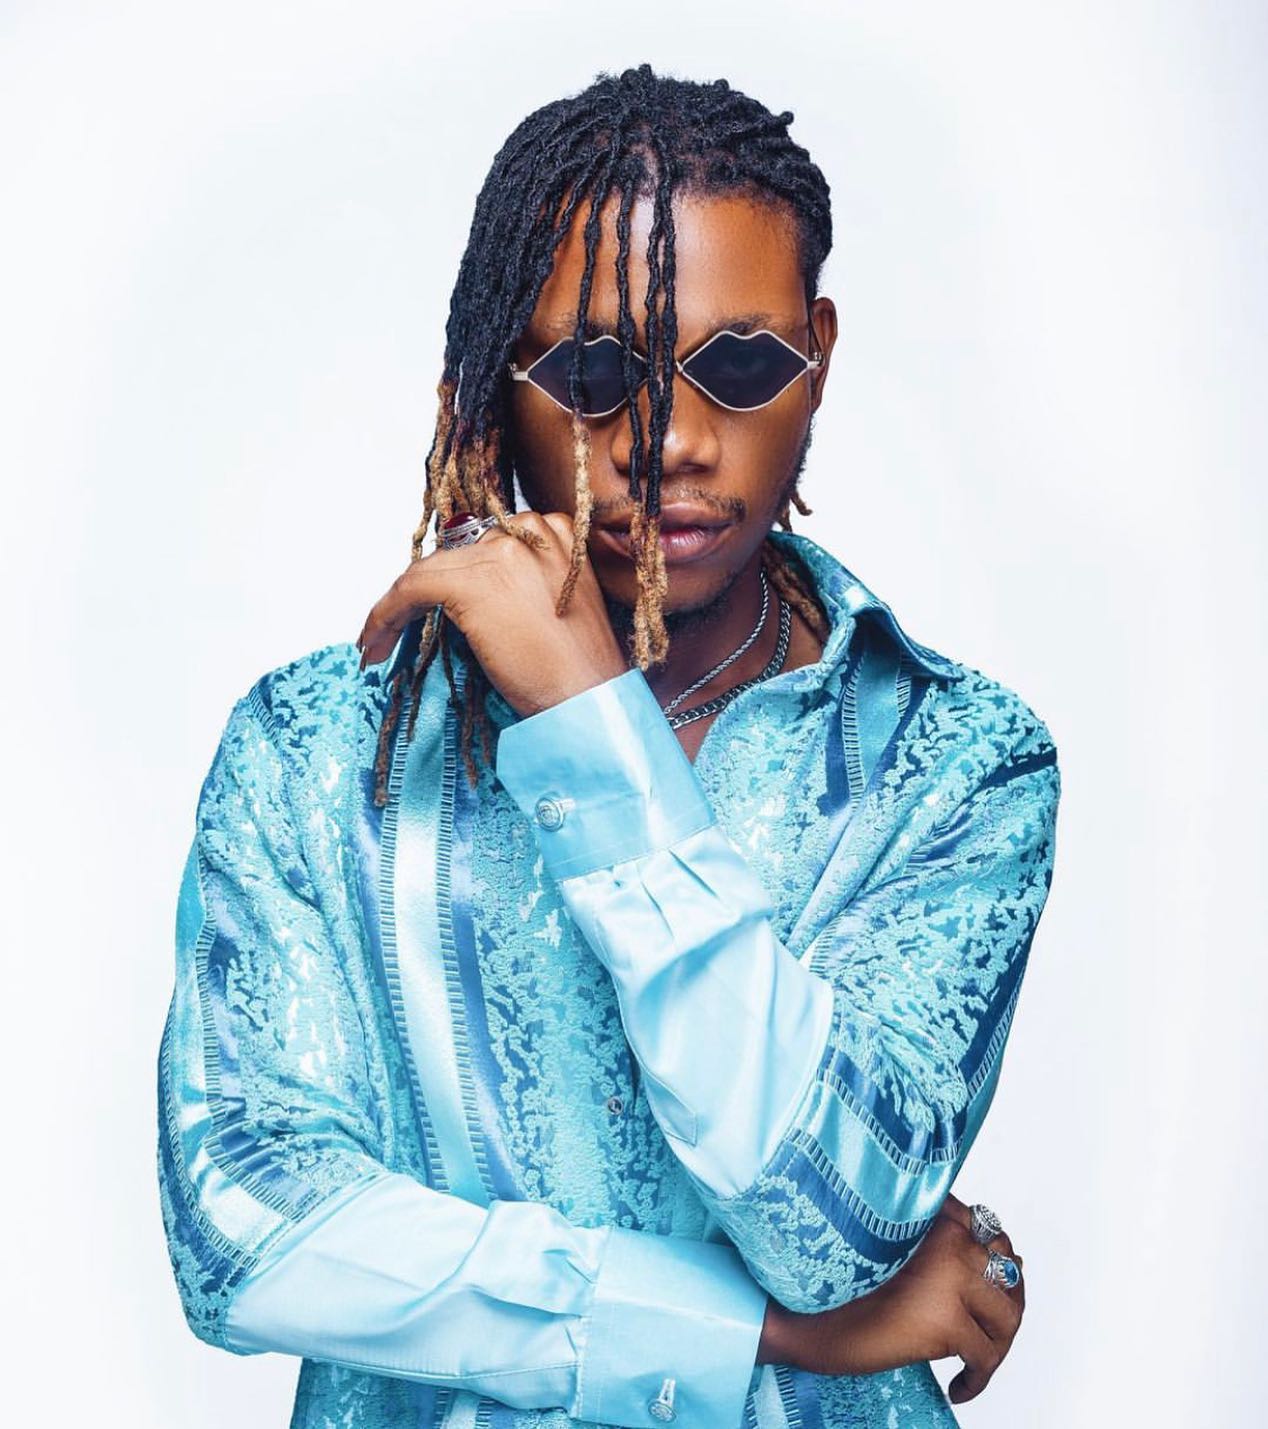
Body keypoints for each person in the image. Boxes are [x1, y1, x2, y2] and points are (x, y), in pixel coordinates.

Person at [156, 63, 1060, 1429]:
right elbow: (245, 1229)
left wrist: (598, 738)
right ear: (490, 383)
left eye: (740, 366)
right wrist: (756, 1333)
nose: (672, 440)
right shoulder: (314, 749)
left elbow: (834, 1224)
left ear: (819, 354)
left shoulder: (953, 763)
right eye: (592, 373)